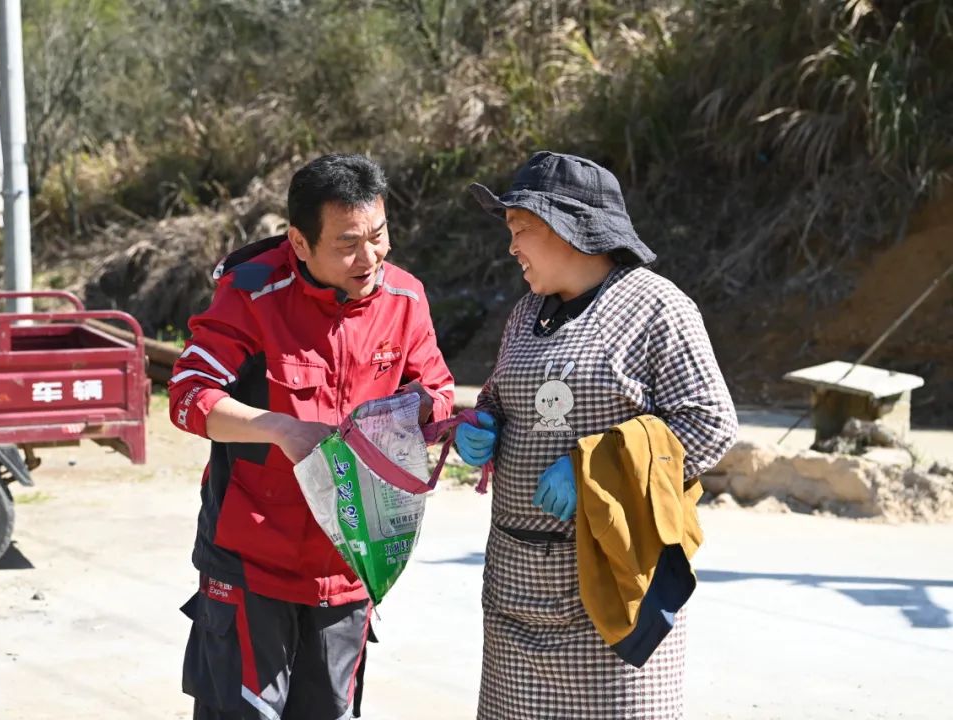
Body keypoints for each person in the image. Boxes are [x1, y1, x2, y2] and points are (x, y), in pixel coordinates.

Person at [168, 153, 455, 720]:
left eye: (378, 235)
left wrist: (413, 410)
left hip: (351, 562)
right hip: (251, 561)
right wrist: (278, 428)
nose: (369, 257)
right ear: (299, 242)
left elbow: (438, 391)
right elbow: (187, 394)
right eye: (347, 244)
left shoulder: (405, 298)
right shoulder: (252, 294)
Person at [454, 151, 737, 719]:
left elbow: (710, 423)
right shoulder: (525, 313)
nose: (511, 247)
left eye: (521, 229)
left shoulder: (657, 308)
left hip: (615, 594)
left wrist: (593, 471)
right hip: (515, 597)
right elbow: (502, 395)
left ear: (569, 227)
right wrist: (484, 423)